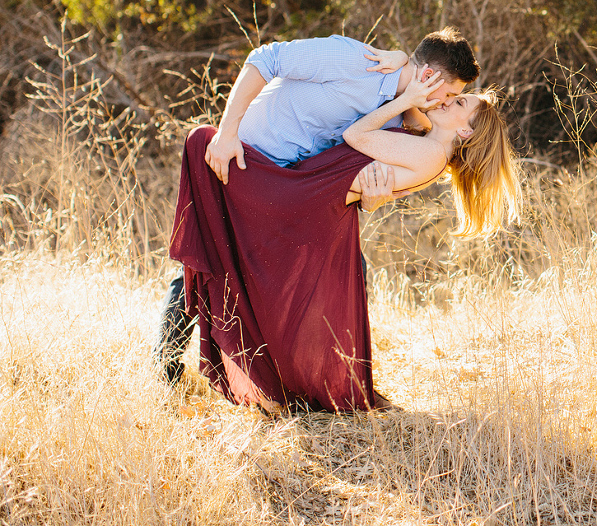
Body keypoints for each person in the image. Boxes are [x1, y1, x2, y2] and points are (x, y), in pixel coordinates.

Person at [169, 71, 519, 413]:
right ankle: (196, 363)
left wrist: (405, 99)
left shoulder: (430, 154)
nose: (447, 100)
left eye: (459, 102)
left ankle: (179, 364)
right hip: (307, 194)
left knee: (202, 141)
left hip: (300, 197)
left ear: (465, 130)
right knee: (217, 191)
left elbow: (356, 134)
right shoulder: (425, 144)